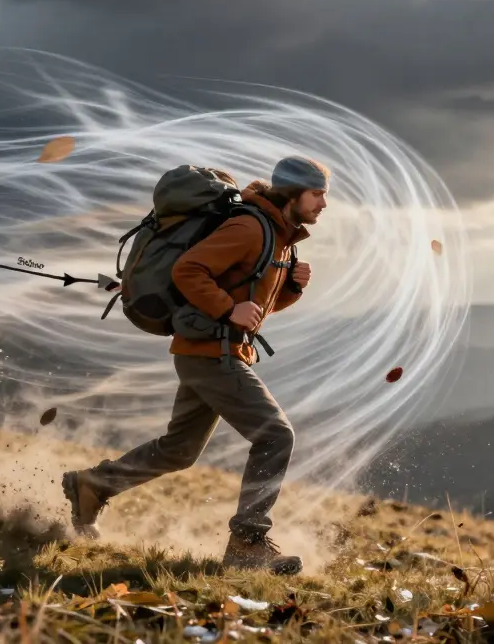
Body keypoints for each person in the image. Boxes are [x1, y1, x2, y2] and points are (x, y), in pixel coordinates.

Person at [61, 155, 330, 575]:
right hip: (210, 353)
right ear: (293, 193)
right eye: (317, 194)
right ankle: (247, 543)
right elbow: (189, 270)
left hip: (213, 351)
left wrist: (290, 289)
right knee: (275, 435)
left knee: (180, 450)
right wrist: (227, 309)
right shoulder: (250, 228)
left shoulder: (281, 239)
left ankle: (93, 485)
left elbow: (253, 307)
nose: (323, 204)